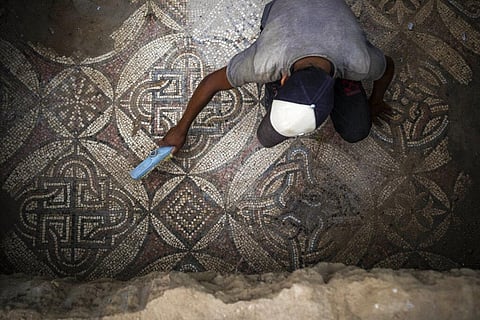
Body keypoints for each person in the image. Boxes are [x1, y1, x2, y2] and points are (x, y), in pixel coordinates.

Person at [159, 0, 394, 152]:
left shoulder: (360, 61)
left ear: (282, 81)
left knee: (357, 129)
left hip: (332, 14)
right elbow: (211, 83)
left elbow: (388, 67)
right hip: (283, 9)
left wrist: (376, 102)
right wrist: (181, 129)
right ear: (282, 78)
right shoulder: (264, 60)